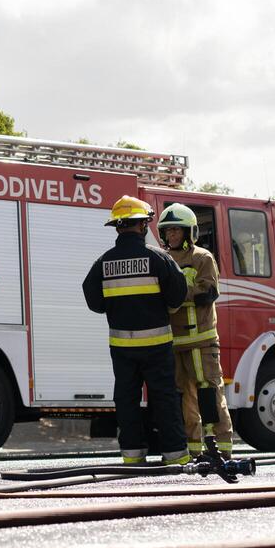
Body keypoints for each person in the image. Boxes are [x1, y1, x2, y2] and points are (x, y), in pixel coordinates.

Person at [82, 196, 190, 465]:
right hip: (157, 345)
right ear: (143, 226)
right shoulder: (159, 258)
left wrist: (119, 308)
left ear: (118, 227)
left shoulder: (103, 263)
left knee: (126, 400)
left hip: (122, 348)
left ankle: (132, 456)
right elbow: (178, 295)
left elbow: (94, 302)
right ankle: (175, 455)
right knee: (164, 398)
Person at [158, 202, 234, 459]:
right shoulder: (163, 259)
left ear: (189, 232)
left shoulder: (202, 258)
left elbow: (209, 291)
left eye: (176, 231)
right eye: (168, 232)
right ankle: (194, 450)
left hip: (201, 340)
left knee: (209, 391)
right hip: (175, 341)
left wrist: (177, 294)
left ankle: (222, 448)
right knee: (185, 398)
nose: (172, 236)